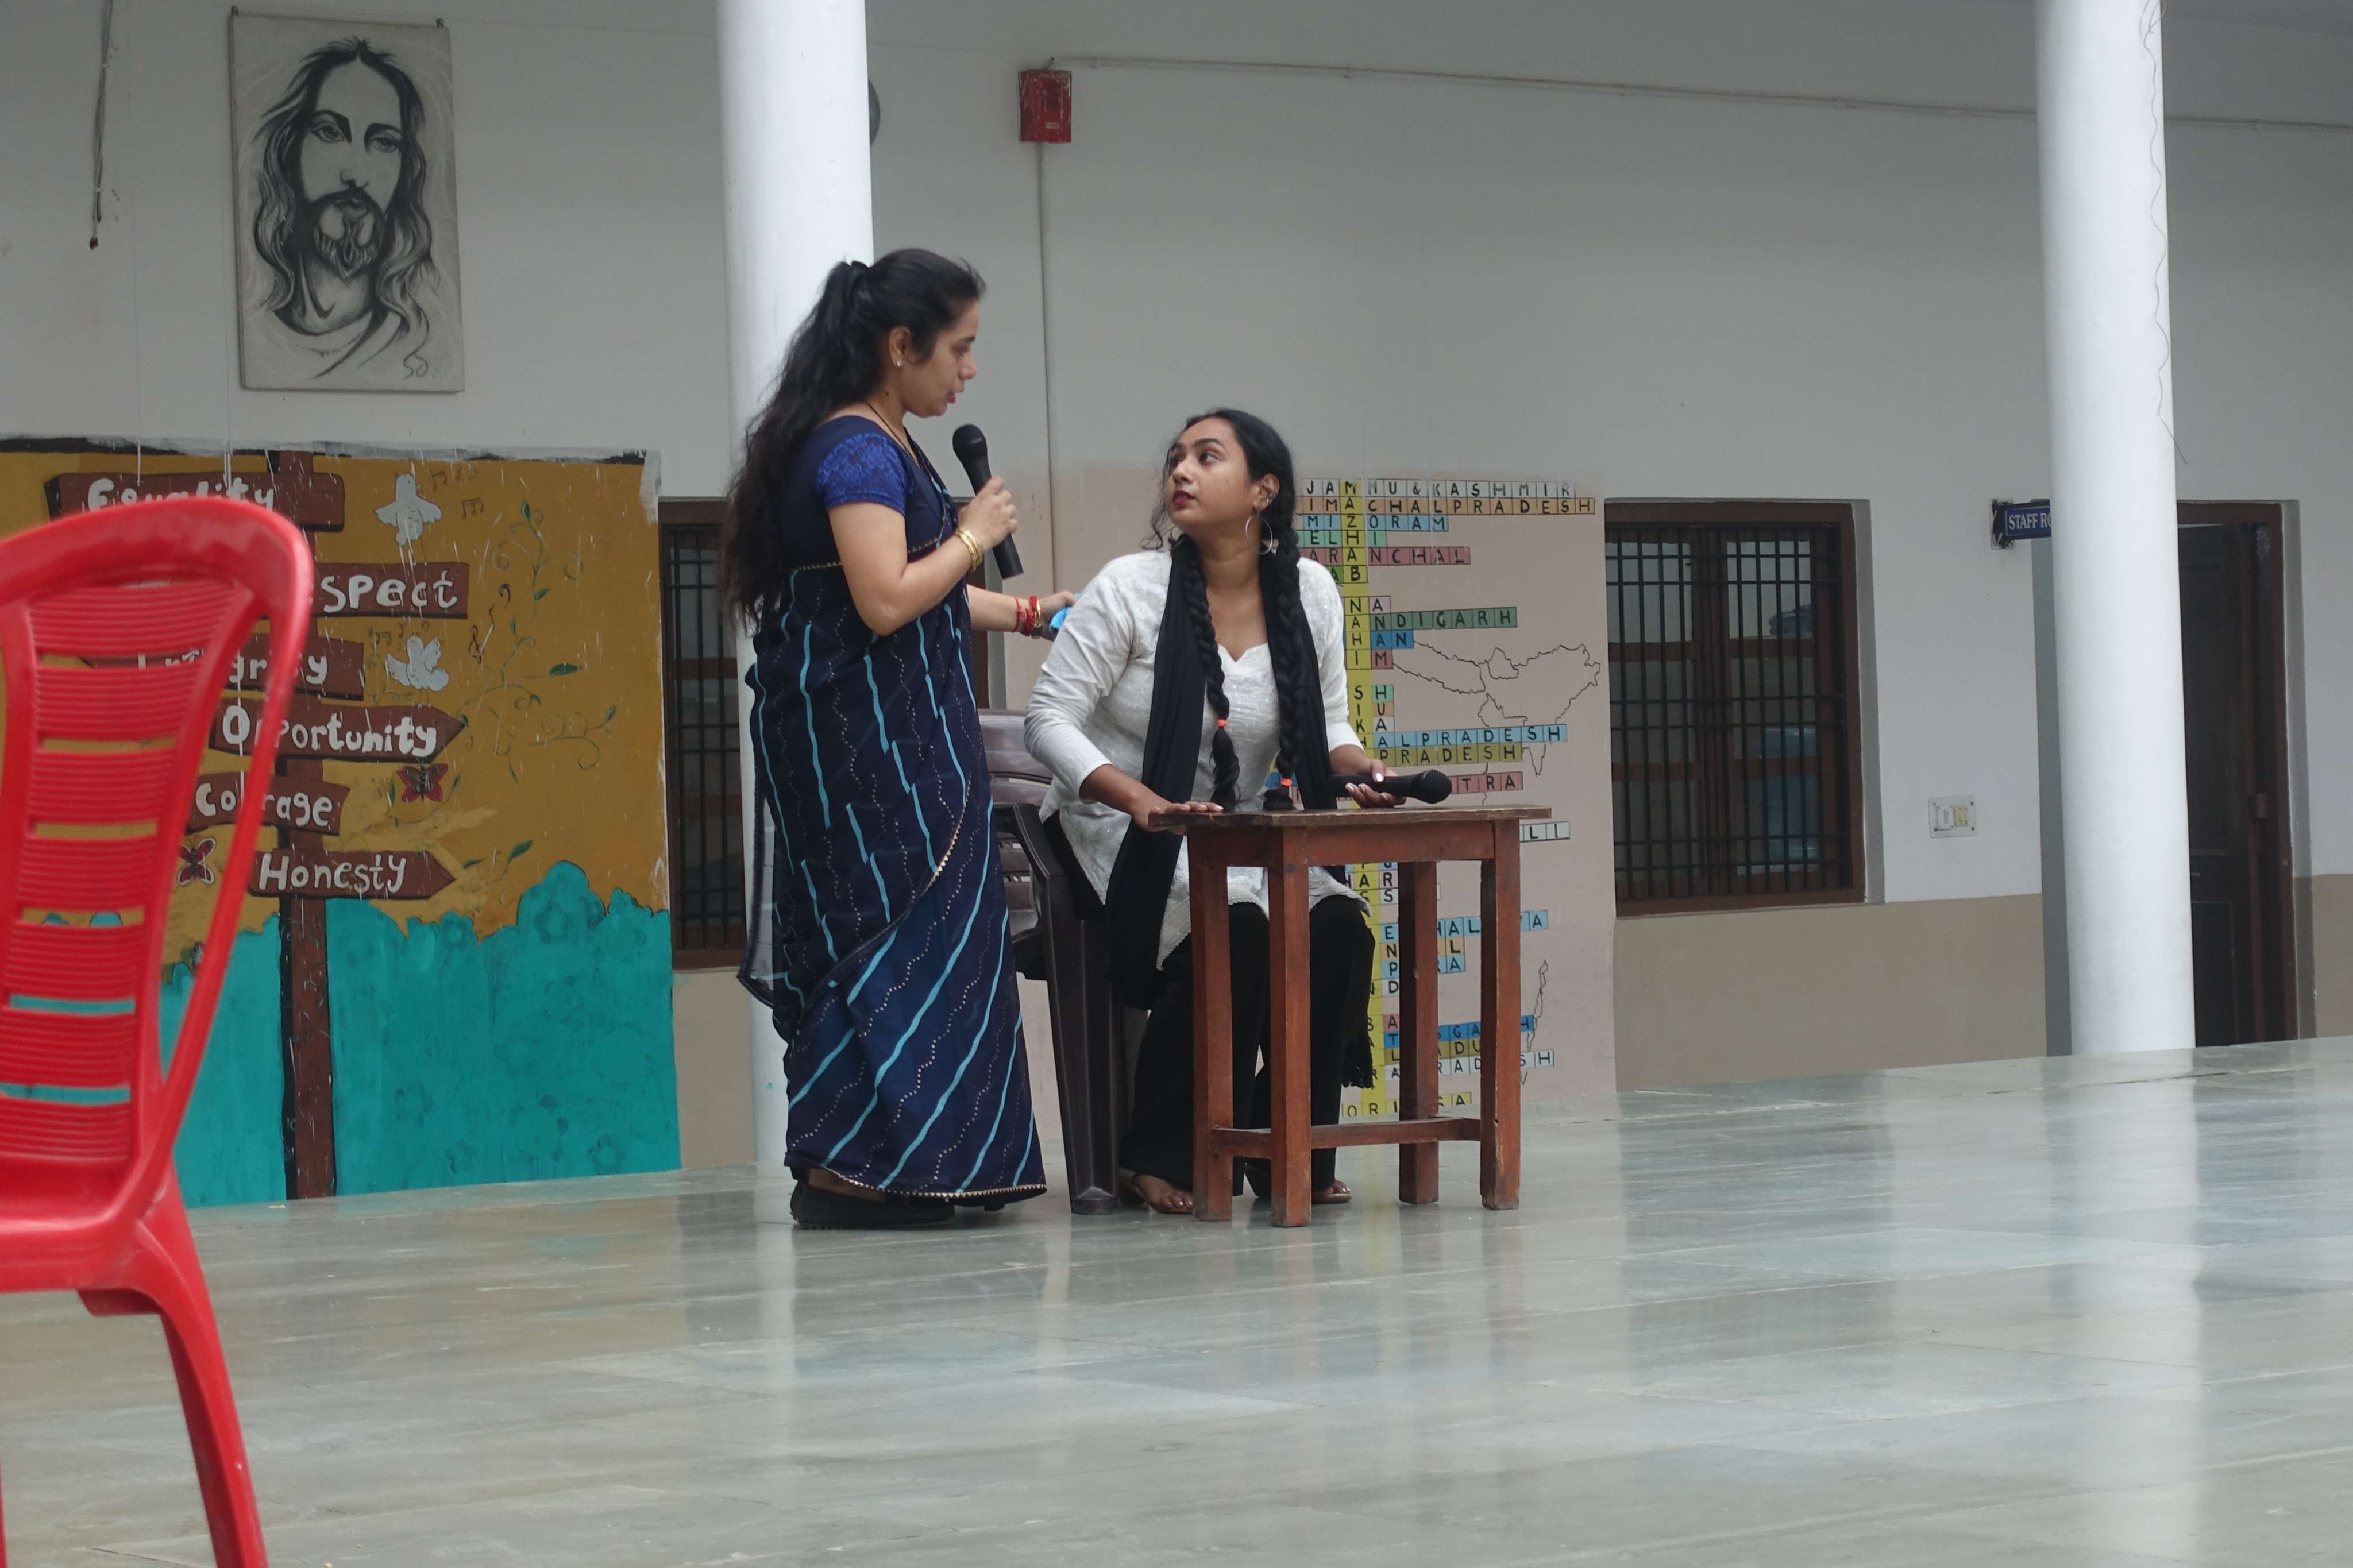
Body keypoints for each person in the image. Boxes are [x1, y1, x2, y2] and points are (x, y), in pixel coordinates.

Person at [722, 249, 1070, 1229]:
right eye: (959, 348)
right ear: (900, 345)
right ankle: (858, 1170)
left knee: (928, 926)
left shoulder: (880, 444)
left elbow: (920, 594)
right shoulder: (859, 452)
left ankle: (914, 1165)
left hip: (899, 734)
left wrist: (1028, 611)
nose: (969, 370)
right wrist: (973, 531)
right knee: (883, 929)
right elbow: (884, 600)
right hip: (867, 748)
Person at [1025, 409, 1400, 1215]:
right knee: (1235, 929)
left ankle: (1285, 1138)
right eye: (1176, 458)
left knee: (1340, 928)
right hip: (1117, 828)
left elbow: (1331, 727)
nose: (1181, 472)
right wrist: (1143, 801)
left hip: (1241, 833)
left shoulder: (1310, 592)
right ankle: (1164, 1150)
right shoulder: (1129, 587)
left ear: (1263, 490)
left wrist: (1363, 769)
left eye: (1206, 456)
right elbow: (1047, 719)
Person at [248, 37, 443, 380]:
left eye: (384, 142)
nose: (356, 175)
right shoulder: (255, 334)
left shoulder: (417, 346)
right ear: (292, 150)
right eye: (330, 132)